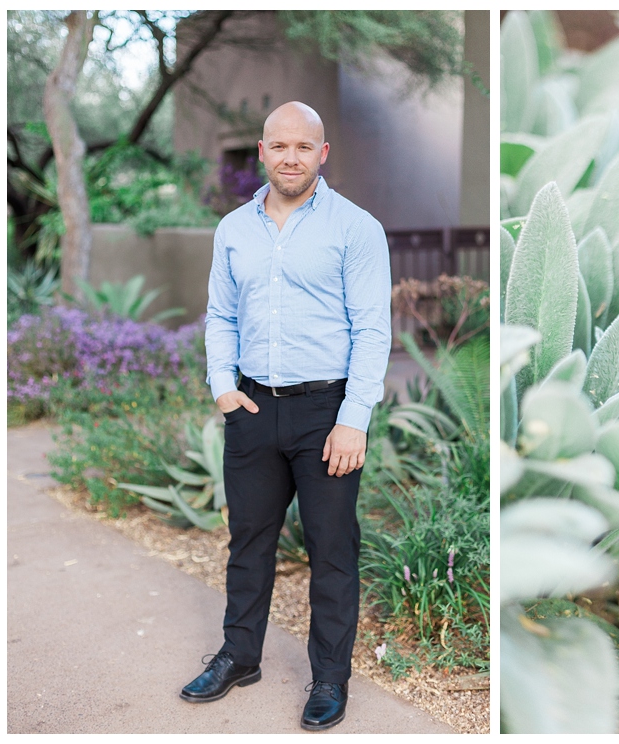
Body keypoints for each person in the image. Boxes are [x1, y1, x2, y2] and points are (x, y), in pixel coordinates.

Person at [180, 101, 391, 731]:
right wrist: (222, 387)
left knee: (331, 550)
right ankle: (239, 656)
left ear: (322, 155)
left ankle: (329, 677)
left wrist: (355, 417)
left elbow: (373, 329)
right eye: (279, 146)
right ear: (263, 153)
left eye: (304, 147)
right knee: (248, 544)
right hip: (252, 408)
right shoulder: (233, 229)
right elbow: (219, 314)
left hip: (327, 413)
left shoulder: (357, 229)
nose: (290, 157)